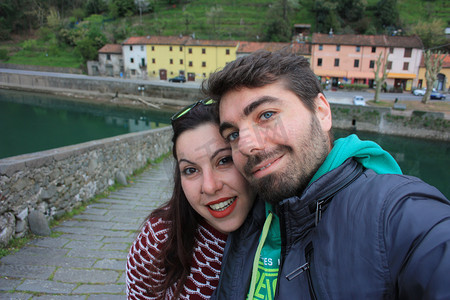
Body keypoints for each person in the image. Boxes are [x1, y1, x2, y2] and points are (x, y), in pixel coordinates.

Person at [202, 49, 450, 299]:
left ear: (321, 112)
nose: (245, 146)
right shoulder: (248, 215)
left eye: (267, 115)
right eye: (233, 134)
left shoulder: (392, 210)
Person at [126, 99, 255, 299]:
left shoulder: (290, 227)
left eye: (224, 160)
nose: (210, 187)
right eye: (191, 170)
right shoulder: (159, 240)